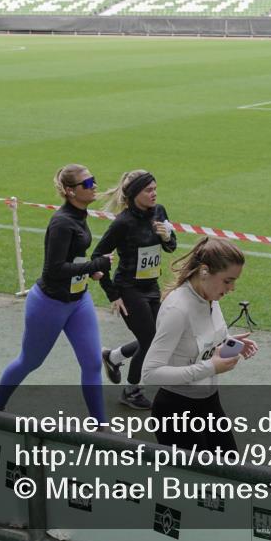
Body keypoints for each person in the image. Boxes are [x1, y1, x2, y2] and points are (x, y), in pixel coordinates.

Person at [0, 164, 112, 421]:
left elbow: (71, 258)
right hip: (49, 305)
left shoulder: (80, 214)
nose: (94, 186)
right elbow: (54, 269)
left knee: (92, 363)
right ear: (70, 191)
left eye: (93, 180)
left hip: (78, 301)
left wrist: (87, 272)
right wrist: (95, 265)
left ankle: (101, 425)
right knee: (30, 362)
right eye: (87, 184)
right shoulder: (62, 222)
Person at [141, 236, 257, 450]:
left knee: (230, 471)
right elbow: (150, 373)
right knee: (196, 482)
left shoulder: (209, 297)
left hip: (209, 403)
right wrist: (211, 366)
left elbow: (201, 339)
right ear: (204, 271)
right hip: (176, 412)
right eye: (228, 280)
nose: (232, 288)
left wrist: (229, 343)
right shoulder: (178, 309)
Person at [92, 170, 177, 411]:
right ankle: (131, 391)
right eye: (148, 190)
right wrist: (113, 294)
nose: (154, 194)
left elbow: (171, 246)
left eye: (155, 189)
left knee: (156, 335)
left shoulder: (159, 212)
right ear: (134, 194)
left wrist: (167, 237)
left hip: (151, 286)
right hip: (129, 289)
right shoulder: (123, 223)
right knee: (150, 340)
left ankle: (114, 357)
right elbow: (98, 256)